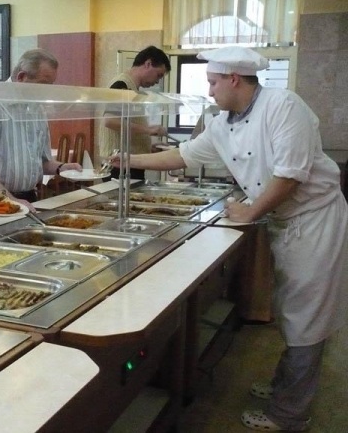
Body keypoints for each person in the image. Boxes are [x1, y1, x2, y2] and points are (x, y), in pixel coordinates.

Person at [112, 46, 348, 432]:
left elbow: (290, 175)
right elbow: (184, 156)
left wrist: (250, 212)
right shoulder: (224, 123)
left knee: (308, 318)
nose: (209, 91)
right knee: (292, 311)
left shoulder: (283, 106)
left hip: (315, 221)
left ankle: (290, 414)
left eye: (212, 82)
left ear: (234, 79)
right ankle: (284, 387)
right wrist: (129, 161)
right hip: (285, 221)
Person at [0, 48, 82, 212]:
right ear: (21, 77)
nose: (47, 91)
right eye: (43, 84)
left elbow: (42, 162)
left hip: (26, 197)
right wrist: (7, 199)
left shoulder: (36, 107)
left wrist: (61, 168)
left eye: (51, 85)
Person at [98, 45, 171, 180]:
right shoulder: (122, 85)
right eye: (158, 75)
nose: (157, 81)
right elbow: (110, 121)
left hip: (129, 162)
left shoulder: (133, 89)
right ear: (148, 64)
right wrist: (149, 130)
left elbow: (127, 127)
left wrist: (146, 146)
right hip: (119, 165)